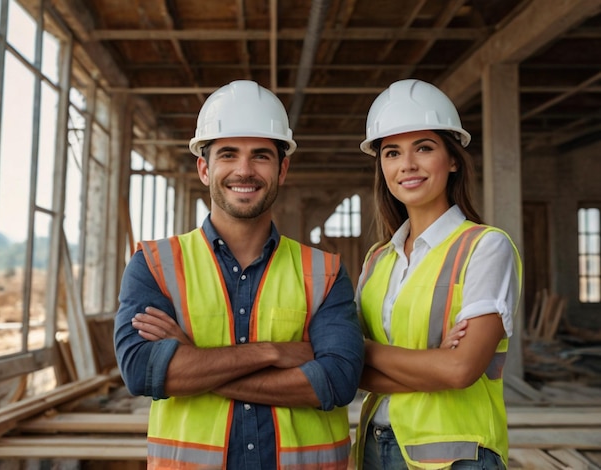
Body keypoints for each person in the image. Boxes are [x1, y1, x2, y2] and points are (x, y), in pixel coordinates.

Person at [114, 79, 364, 470]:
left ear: (282, 169)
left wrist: (193, 362)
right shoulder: (154, 265)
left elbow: (336, 380)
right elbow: (143, 372)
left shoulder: (325, 272)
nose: (244, 171)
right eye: (228, 154)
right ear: (204, 168)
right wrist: (273, 352)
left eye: (261, 156)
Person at [352, 79, 523, 470]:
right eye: (392, 152)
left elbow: (461, 369)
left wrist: (362, 348)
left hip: (458, 455)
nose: (407, 165)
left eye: (424, 148)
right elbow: (350, 371)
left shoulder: (486, 247)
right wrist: (433, 362)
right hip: (375, 448)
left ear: (453, 160)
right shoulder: (378, 260)